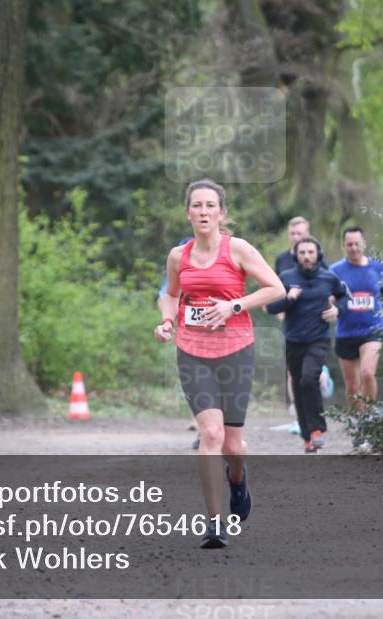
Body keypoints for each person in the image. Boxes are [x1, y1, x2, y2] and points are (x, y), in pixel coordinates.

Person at [155, 179, 284, 548]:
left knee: (233, 445)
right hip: (193, 351)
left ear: (221, 213)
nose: (204, 212)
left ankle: (238, 479)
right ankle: (214, 522)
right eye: (197, 206)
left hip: (236, 350)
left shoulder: (238, 249)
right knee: (209, 435)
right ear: (188, 213)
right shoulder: (178, 255)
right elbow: (171, 295)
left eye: (210, 205)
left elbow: (274, 287)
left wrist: (234, 305)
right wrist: (167, 321)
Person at [265, 237, 349, 453]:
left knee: (308, 378)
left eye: (311, 252)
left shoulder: (329, 277)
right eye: (302, 253)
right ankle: (307, 437)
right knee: (298, 386)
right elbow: (271, 307)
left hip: (318, 339)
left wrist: (338, 310)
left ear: (317, 254)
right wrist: (289, 298)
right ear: (296, 255)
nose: (307, 256)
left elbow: (345, 298)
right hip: (293, 340)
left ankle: (317, 430)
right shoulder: (286, 277)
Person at [329, 226, 383, 452]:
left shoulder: (377, 267)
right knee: (352, 387)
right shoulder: (335, 270)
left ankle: (370, 423)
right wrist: (332, 307)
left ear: (364, 243)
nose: (354, 248)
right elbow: (329, 298)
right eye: (349, 244)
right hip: (346, 333)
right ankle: (361, 424)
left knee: (367, 373)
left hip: (372, 329)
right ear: (344, 246)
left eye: (357, 244)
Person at [272, 217, 326, 423]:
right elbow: (275, 285)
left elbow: (329, 283)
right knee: (292, 370)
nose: (296, 238)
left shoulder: (315, 256)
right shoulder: (282, 259)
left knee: (310, 373)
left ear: (308, 234)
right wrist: (281, 307)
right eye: (293, 234)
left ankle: (322, 378)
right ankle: (297, 413)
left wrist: (330, 307)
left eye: (300, 234)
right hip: (291, 319)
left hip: (314, 321)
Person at [157, 237, 199, 450]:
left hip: (224, 338)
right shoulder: (178, 261)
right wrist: (167, 321)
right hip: (189, 335)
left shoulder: (225, 258)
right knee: (196, 382)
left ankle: (215, 427)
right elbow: (164, 295)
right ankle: (205, 426)